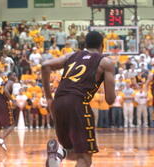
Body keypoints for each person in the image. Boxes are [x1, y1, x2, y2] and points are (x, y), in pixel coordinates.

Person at [41, 31, 115, 167]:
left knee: (73, 151)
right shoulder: (105, 62)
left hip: (59, 102)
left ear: (85, 44)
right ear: (102, 46)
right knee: (85, 158)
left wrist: (49, 99)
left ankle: (59, 153)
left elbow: (45, 65)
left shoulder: (72, 55)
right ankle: (59, 152)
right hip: (77, 102)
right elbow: (110, 99)